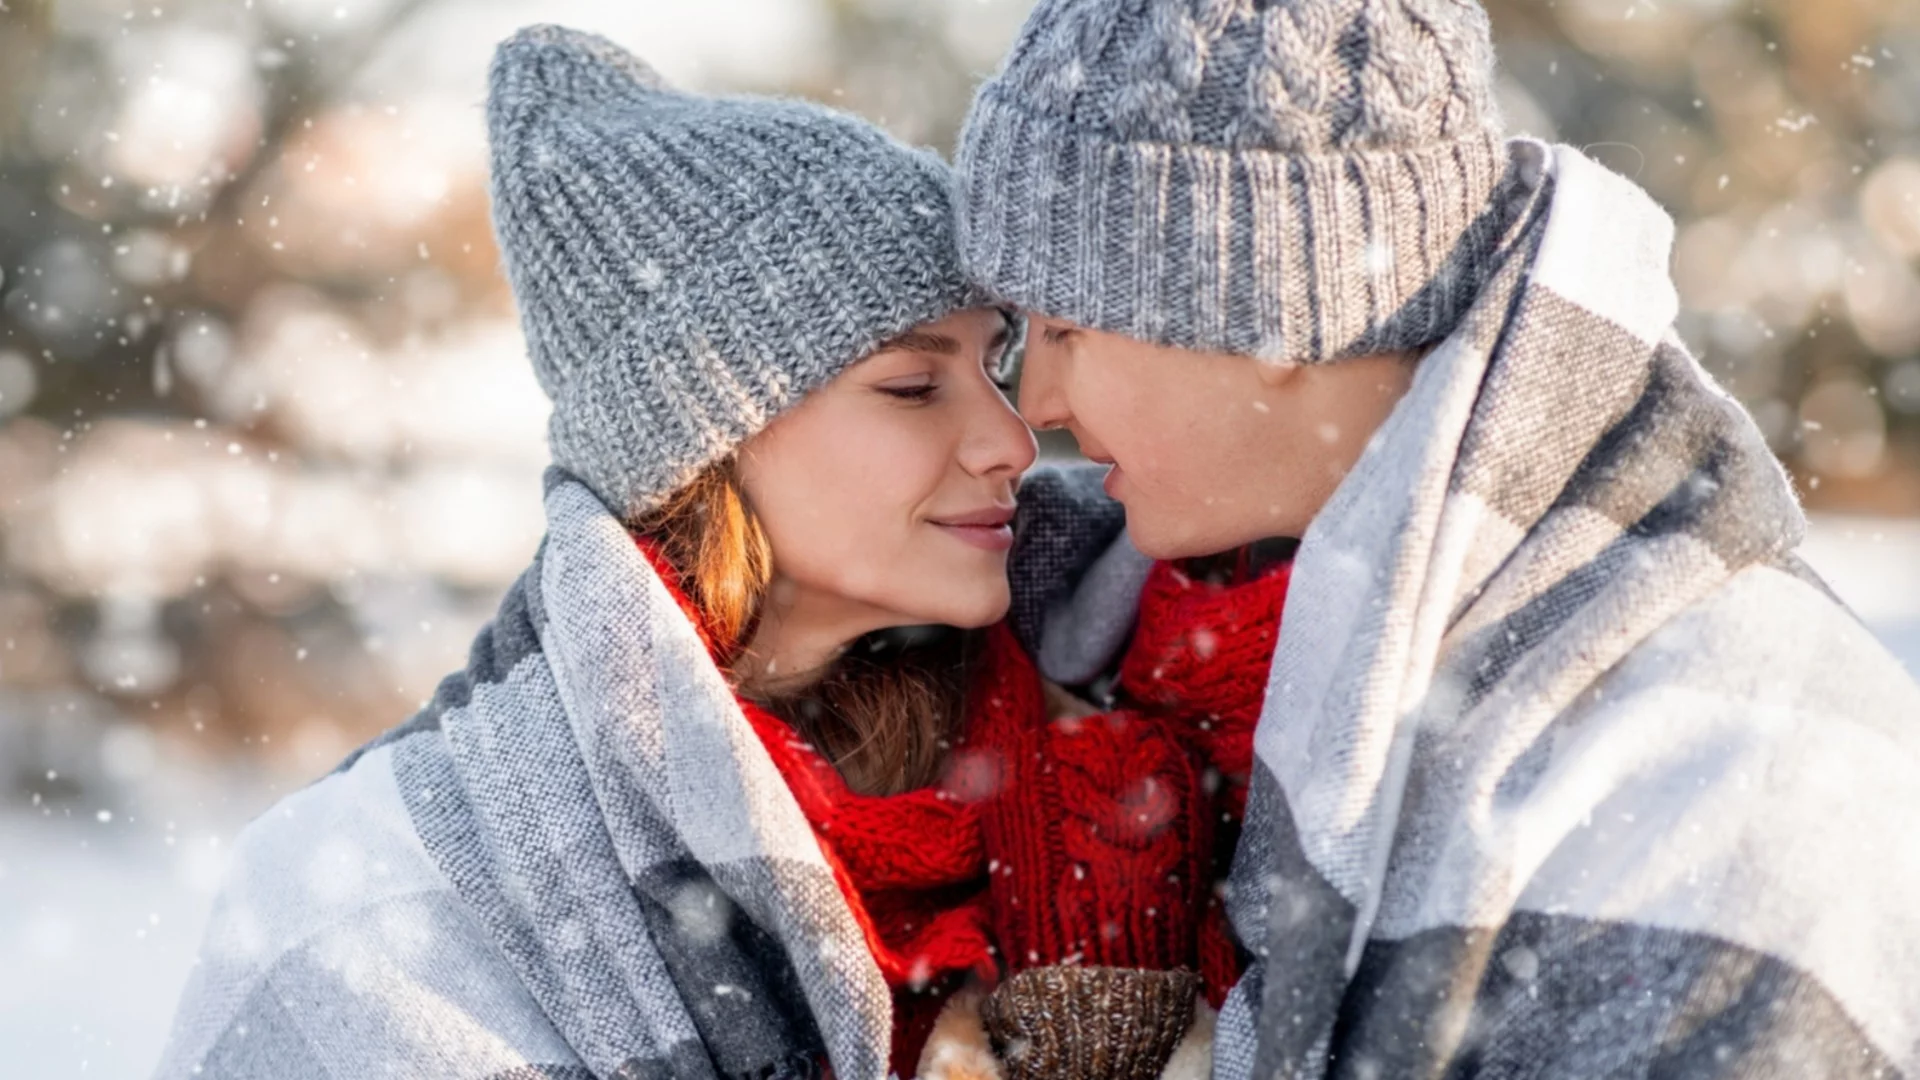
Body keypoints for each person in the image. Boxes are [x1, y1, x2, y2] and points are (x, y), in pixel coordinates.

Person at [153, 26, 1274, 1080]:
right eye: (912, 384)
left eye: (996, 365)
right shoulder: (389, 906)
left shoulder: (1162, 721)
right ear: (707, 441)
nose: (1011, 439)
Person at [954, 1, 1920, 1078]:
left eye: (1069, 330)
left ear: (1267, 302)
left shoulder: (1720, 768)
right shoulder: (1162, 652)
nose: (1035, 401)